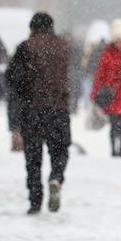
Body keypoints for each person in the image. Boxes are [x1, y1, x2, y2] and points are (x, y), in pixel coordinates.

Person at [6, 13, 72, 214]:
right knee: (59, 150)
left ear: (33, 28)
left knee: (33, 157)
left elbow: (13, 78)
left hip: (33, 108)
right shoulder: (64, 47)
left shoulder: (26, 47)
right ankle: (56, 177)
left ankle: (35, 199)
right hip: (59, 109)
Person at [91, 20, 121, 157]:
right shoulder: (107, 54)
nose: (120, 43)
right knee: (113, 125)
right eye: (117, 40)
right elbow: (100, 75)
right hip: (111, 95)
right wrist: (95, 93)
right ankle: (114, 149)